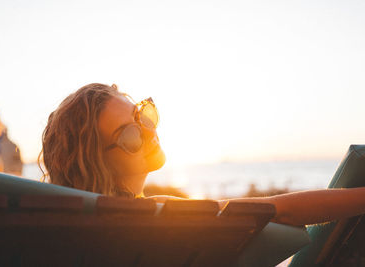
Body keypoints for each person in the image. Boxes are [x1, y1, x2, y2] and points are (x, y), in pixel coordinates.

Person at [39, 83, 365, 226]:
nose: (150, 132)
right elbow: (280, 211)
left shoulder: (74, 230)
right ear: (99, 162)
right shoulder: (154, 215)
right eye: (131, 134)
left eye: (144, 115)